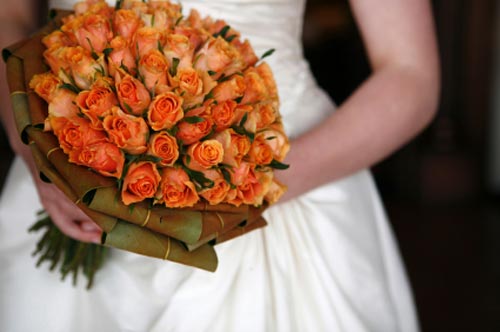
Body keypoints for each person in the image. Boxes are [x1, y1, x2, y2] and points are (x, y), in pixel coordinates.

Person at [0, 0, 440, 331]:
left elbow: (409, 73)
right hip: (63, 177)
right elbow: (9, 19)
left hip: (279, 190)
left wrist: (245, 183)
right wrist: (39, 157)